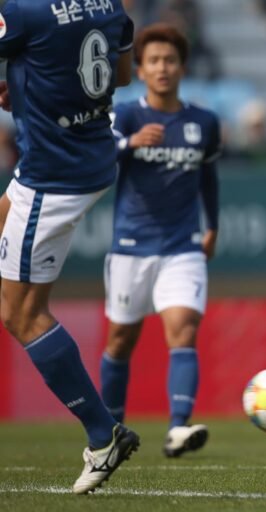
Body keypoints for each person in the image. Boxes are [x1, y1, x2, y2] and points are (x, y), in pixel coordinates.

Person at [0, 0, 137, 495]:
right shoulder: (111, 6)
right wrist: (30, 82)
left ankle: (104, 435)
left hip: (51, 176)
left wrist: (31, 77)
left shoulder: (23, 12)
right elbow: (119, 75)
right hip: (88, 155)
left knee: (19, 313)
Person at [100, 23, 220, 458]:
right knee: (119, 341)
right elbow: (99, 157)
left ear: (182, 67)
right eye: (153, 61)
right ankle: (108, 432)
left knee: (183, 329)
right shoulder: (127, 115)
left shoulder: (203, 121)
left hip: (182, 245)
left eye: (169, 60)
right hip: (131, 244)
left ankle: (177, 429)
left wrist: (213, 226)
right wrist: (130, 143)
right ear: (142, 68)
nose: (162, 67)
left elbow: (208, 176)